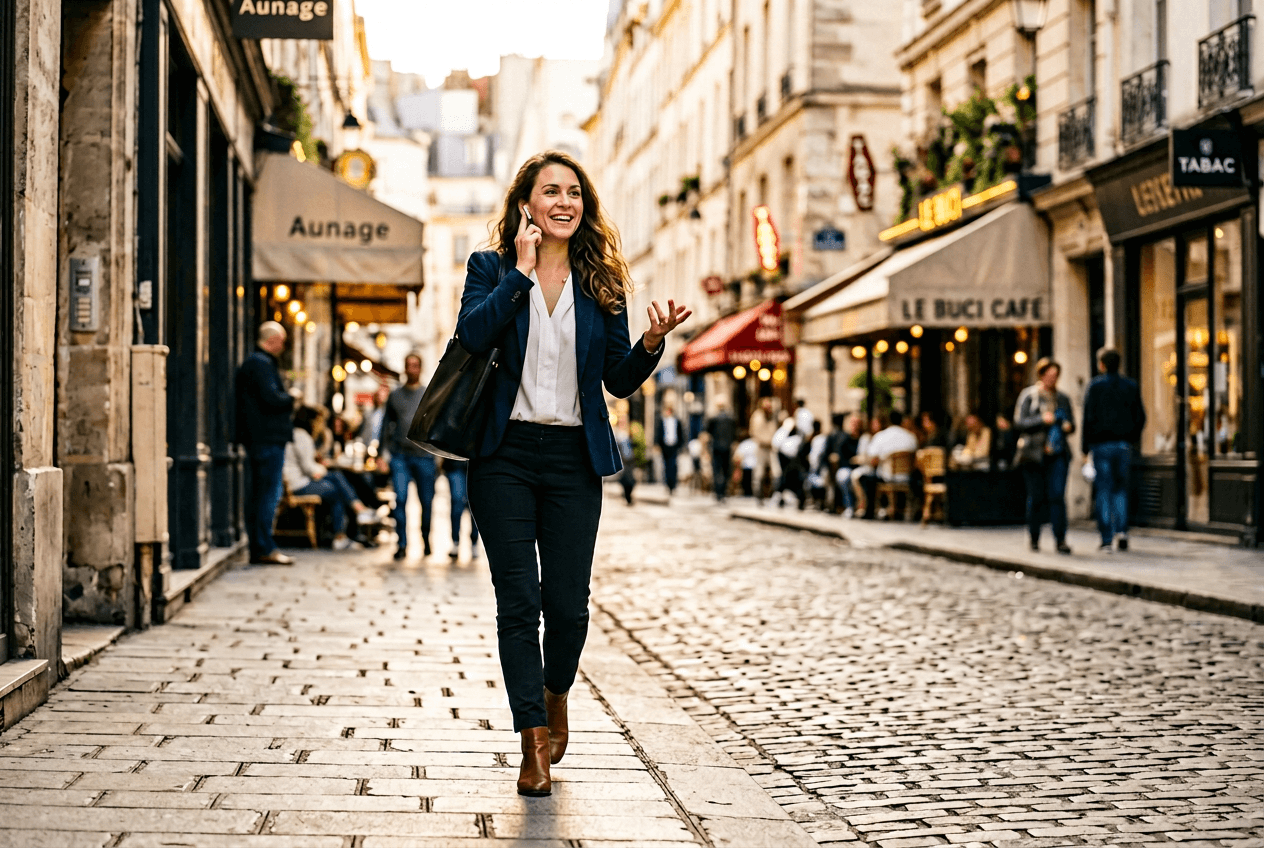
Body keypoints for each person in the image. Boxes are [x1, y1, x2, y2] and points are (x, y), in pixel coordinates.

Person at [456, 150, 689, 797]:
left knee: (567, 607)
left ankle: (556, 691)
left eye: (574, 192)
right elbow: (473, 336)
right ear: (526, 203)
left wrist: (649, 344)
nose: (564, 201)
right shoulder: (491, 268)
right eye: (550, 190)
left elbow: (615, 380)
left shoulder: (600, 281)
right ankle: (533, 745)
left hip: (571, 459)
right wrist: (521, 276)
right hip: (502, 455)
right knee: (517, 604)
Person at [235, 321, 297, 566]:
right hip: (266, 439)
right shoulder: (260, 364)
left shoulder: (257, 363)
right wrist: (292, 397)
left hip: (261, 439)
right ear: (273, 340)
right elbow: (271, 398)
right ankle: (263, 546)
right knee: (267, 494)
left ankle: (262, 545)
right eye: (281, 341)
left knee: (264, 494)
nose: (283, 346)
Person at [284, 406, 377, 550]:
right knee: (336, 489)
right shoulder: (301, 436)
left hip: (296, 481)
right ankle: (349, 522)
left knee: (336, 479)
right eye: (320, 421)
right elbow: (309, 469)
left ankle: (355, 515)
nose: (322, 425)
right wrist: (323, 468)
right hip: (297, 484)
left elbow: (312, 461)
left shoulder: (299, 434)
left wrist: (325, 445)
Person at [1082, 346, 1146, 552]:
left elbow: (1088, 418)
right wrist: (1131, 438)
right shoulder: (1130, 386)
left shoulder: (1095, 387)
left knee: (1104, 490)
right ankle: (1122, 531)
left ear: (1101, 365)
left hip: (1101, 445)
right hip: (1123, 444)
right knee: (1120, 489)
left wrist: (1085, 447)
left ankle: (1107, 538)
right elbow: (1140, 417)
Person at [1015, 357, 1076, 554]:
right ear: (1041, 375)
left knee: (1057, 496)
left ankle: (1060, 539)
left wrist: (1068, 426)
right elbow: (1020, 422)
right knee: (1036, 497)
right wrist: (1041, 419)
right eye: (1049, 375)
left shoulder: (1063, 398)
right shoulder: (1029, 396)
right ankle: (1034, 538)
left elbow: (1071, 423)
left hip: (1057, 453)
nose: (1052, 379)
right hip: (1034, 453)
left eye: (1055, 376)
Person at [382, 353, 436, 561]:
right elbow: (386, 426)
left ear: (420, 368)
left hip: (424, 456)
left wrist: (437, 455)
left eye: (415, 365)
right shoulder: (394, 396)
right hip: (400, 455)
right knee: (401, 499)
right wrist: (381, 454)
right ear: (404, 368)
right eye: (408, 365)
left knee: (426, 502)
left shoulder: (427, 394)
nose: (411, 369)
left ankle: (425, 539)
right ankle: (402, 543)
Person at [864, 411, 920, 518]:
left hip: (887, 477)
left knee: (868, 478)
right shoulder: (911, 437)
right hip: (907, 477)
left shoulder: (881, 436)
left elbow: (873, 461)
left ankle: (873, 510)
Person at [442, 458, 480, 559]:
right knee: (457, 502)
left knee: (475, 504)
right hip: (455, 464)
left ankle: (474, 542)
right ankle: (455, 541)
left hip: (477, 463)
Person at [829, 413, 863, 517]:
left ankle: (862, 508)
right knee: (844, 476)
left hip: (862, 468)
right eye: (853, 423)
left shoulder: (863, 438)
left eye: (857, 424)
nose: (855, 426)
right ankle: (849, 506)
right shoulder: (844, 439)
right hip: (848, 467)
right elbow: (841, 457)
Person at [705, 398, 737, 502]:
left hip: (716, 447)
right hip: (727, 447)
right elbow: (734, 434)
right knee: (726, 470)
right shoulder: (731, 419)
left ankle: (718, 492)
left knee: (717, 470)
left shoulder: (713, 419)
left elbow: (708, 432)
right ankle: (723, 491)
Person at [748, 397, 777, 498]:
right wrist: (764, 441)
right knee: (759, 472)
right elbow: (754, 432)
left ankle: (771, 494)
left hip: (771, 448)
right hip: (761, 447)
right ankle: (758, 494)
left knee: (775, 472)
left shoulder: (772, 417)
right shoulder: (757, 417)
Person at [654, 402, 684, 496]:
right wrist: (658, 444)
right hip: (665, 446)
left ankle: (673, 485)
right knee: (666, 466)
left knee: (673, 466)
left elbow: (681, 433)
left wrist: (680, 445)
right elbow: (658, 433)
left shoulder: (677, 421)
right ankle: (667, 485)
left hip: (674, 446)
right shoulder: (662, 421)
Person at [735, 430, 758, 497]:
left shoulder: (745, 443)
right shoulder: (754, 443)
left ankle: (747, 493)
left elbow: (738, 455)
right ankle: (750, 493)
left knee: (747, 481)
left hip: (747, 465)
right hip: (751, 465)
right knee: (751, 481)